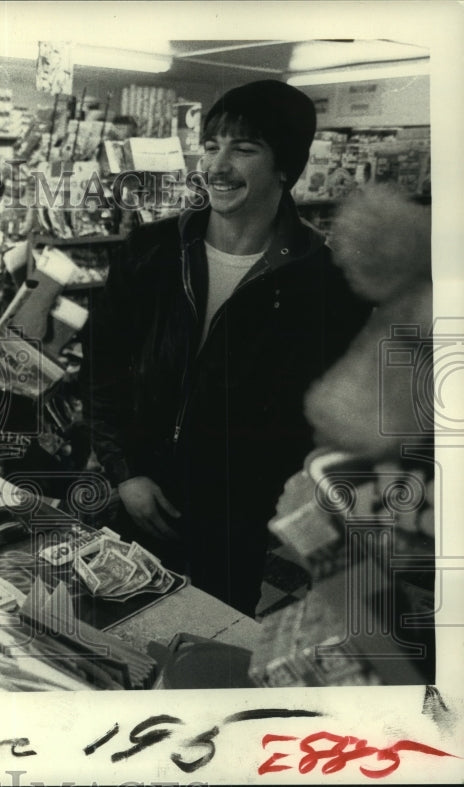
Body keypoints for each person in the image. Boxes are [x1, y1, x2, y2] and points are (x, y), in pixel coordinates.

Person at [80, 80, 373, 616]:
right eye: (211, 145)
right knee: (114, 631)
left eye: (243, 148)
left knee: (215, 641)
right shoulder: (152, 251)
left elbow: (322, 414)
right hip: (137, 498)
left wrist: (264, 505)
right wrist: (126, 471)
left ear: (284, 165)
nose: (217, 165)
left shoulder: (323, 280)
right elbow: (102, 362)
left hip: (235, 521)